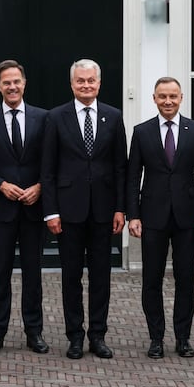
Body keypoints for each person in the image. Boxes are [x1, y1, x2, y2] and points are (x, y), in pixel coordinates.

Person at [41, 59, 127, 359]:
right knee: (71, 276)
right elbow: (47, 170)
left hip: (104, 212)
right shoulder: (55, 118)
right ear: (72, 84)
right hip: (68, 212)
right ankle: (75, 336)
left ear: (99, 83)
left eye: (91, 81)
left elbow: (120, 167)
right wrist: (50, 211)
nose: (86, 85)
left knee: (101, 276)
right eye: (81, 81)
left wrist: (121, 209)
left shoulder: (114, 117)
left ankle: (98, 336)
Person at [126, 77, 194, 359]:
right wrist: (133, 215)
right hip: (152, 217)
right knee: (151, 280)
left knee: (185, 278)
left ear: (181, 98)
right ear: (154, 98)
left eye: (173, 97)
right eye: (162, 96)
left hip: (188, 218)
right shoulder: (141, 132)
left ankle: (183, 338)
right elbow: (132, 178)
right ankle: (156, 338)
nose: (168, 101)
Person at [0, 60, 50, 355]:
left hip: (33, 208)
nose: (12, 86)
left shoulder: (44, 118)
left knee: (33, 273)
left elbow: (51, 162)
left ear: (24, 83)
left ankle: (34, 332)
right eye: (6, 82)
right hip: (1, 210)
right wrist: (1, 185)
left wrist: (40, 187)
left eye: (16, 81)